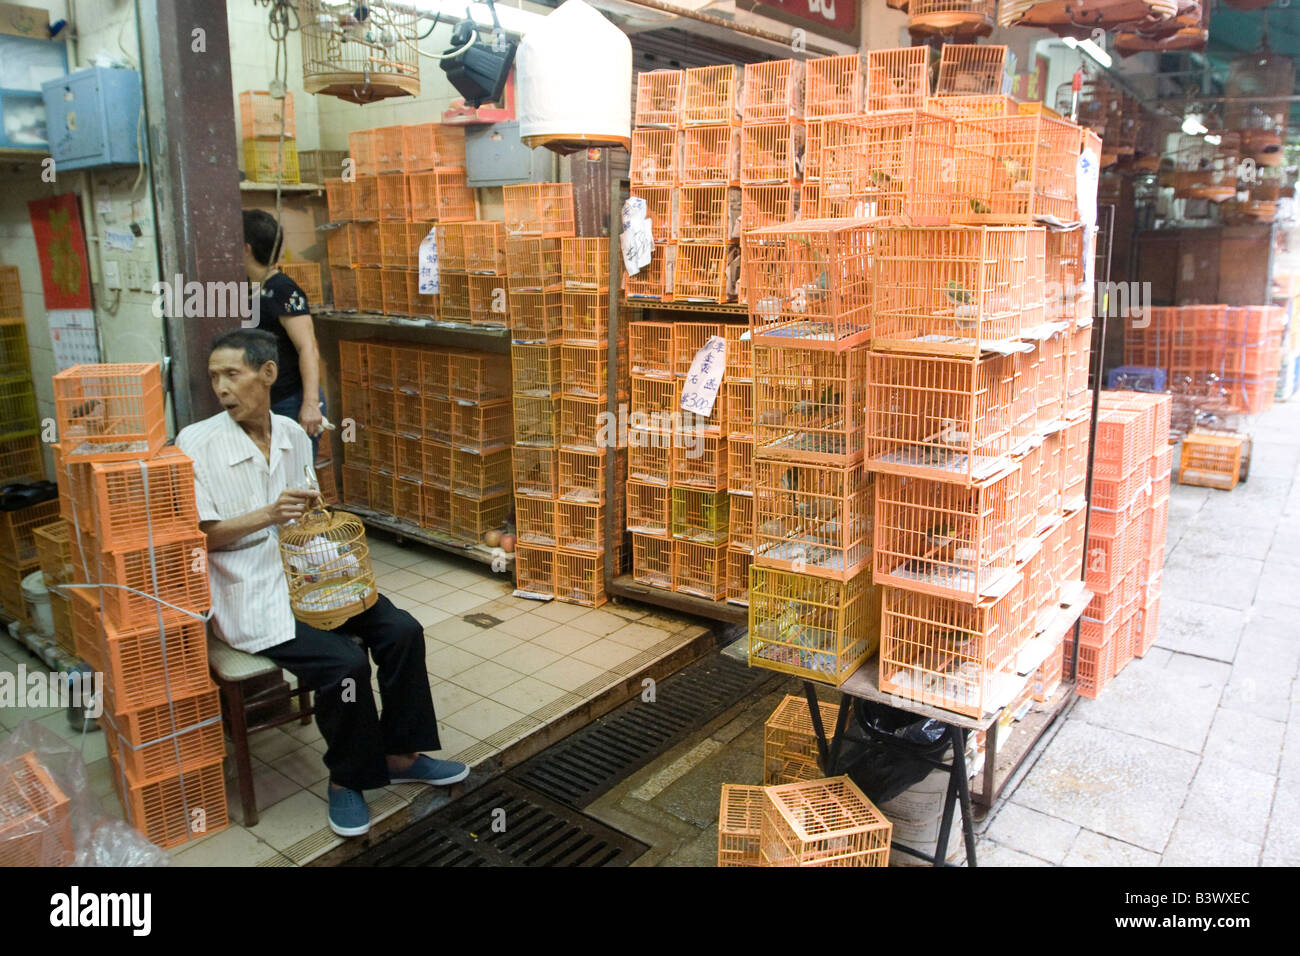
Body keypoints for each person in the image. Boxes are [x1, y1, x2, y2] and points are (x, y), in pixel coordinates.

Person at [176, 328, 468, 838]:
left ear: (267, 373)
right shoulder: (196, 443)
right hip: (251, 591)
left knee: (402, 630)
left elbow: (310, 511)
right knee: (346, 665)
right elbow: (203, 536)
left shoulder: (290, 433)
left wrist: (325, 539)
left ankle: (400, 754)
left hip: (311, 575)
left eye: (232, 373)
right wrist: (267, 514)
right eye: (214, 377)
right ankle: (347, 779)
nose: (221, 387)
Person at [242, 208, 326, 458]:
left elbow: (308, 347)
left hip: (291, 400)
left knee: (296, 479)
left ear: (246, 248)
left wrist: (310, 404)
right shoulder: (251, 288)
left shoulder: (283, 290)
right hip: (265, 401)